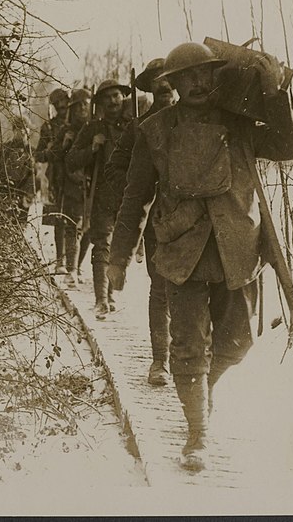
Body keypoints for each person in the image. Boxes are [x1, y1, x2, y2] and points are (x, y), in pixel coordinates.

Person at [107, 42, 293, 472]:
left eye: (204, 74)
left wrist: (273, 93)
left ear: (215, 76)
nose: (197, 82)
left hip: (238, 250)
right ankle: (197, 431)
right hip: (182, 253)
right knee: (189, 347)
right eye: (186, 76)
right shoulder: (154, 131)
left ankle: (205, 388)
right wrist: (118, 257)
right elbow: (135, 197)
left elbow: (288, 147)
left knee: (237, 344)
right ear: (172, 84)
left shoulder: (241, 124)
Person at [105, 58, 175, 386]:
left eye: (172, 80)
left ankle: (190, 362)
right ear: (150, 87)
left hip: (196, 222)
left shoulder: (192, 123)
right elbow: (116, 169)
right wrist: (140, 182)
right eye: (159, 82)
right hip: (157, 219)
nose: (167, 88)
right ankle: (160, 360)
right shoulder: (139, 128)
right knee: (161, 288)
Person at [66, 78, 133, 320]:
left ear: (123, 98)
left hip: (130, 197)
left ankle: (111, 294)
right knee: (103, 245)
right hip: (103, 195)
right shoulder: (93, 129)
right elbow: (71, 160)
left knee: (120, 248)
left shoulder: (133, 127)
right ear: (101, 103)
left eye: (116, 96)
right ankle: (101, 300)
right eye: (107, 97)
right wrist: (92, 150)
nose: (113, 101)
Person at [46, 88, 93, 287]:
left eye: (86, 103)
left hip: (93, 184)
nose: (83, 108)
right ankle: (70, 269)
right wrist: (64, 145)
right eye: (78, 105)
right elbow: (51, 155)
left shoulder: (97, 127)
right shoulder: (66, 130)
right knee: (72, 226)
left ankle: (78, 266)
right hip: (70, 183)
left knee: (89, 229)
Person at [36, 88, 70, 273]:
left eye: (65, 104)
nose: (63, 108)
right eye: (60, 106)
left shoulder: (78, 123)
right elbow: (39, 155)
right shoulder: (48, 127)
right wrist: (51, 151)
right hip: (57, 176)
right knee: (59, 218)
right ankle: (60, 261)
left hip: (77, 173)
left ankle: (74, 263)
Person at [0, 115, 38, 226]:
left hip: (22, 196)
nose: (22, 131)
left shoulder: (32, 152)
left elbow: (34, 176)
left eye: (25, 128)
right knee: (1, 226)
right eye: (18, 128)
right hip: (3, 193)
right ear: (14, 130)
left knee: (19, 228)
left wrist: (28, 196)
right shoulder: (4, 148)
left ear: (28, 131)